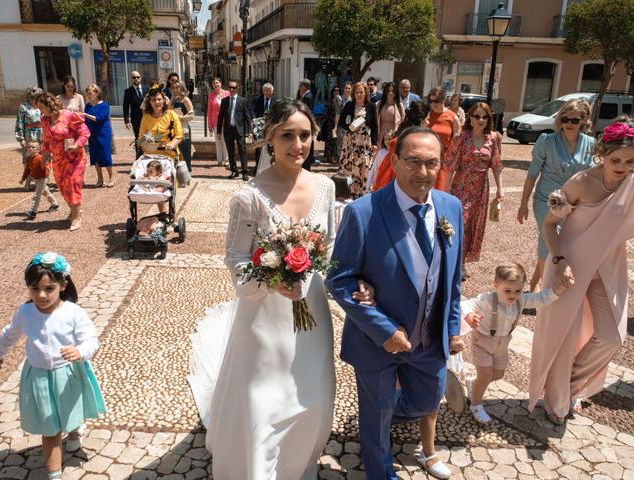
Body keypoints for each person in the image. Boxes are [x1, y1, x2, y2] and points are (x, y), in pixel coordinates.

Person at [188, 99, 373, 479]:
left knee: (313, 396)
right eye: (287, 135)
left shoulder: (324, 186)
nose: (298, 144)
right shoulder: (249, 197)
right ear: (270, 138)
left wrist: (347, 282)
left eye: (305, 135)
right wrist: (273, 279)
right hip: (264, 318)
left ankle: (299, 460)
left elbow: (333, 246)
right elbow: (236, 258)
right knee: (265, 400)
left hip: (312, 312)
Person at [327, 126, 464, 480]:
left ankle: (380, 415)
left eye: (431, 163)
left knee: (425, 402)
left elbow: (452, 277)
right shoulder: (363, 212)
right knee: (376, 420)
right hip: (377, 343)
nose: (423, 172)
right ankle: (380, 467)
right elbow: (339, 279)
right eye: (413, 162)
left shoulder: (452, 207)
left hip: (429, 342)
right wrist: (383, 330)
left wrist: (451, 329)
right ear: (395, 160)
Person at [528, 118, 634, 425]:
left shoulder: (631, 184)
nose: (622, 167)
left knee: (612, 337)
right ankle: (557, 400)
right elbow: (550, 223)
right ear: (603, 152)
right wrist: (559, 260)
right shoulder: (580, 182)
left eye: (630, 161)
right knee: (564, 336)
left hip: (607, 267)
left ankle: (569, 386)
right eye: (616, 160)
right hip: (568, 265)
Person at [0, 252, 106, 480]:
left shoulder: (73, 312)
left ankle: (74, 430)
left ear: (63, 285)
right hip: (39, 378)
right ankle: (54, 474)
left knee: (70, 409)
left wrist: (80, 352)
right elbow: (9, 335)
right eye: (34, 289)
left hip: (68, 374)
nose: (41, 295)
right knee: (51, 428)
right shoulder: (26, 312)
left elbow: (91, 340)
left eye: (49, 288)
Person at [462, 262, 567, 424]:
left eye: (518, 290)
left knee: (498, 374)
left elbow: (540, 299)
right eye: (507, 290)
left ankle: (474, 385)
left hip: (503, 344)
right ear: (496, 286)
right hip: (482, 342)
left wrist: (557, 290)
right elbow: (467, 303)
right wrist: (469, 315)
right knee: (486, 375)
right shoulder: (488, 299)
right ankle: (476, 405)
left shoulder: (521, 300)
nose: (513, 295)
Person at [517, 99, 595, 291]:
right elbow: (532, 174)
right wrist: (523, 203)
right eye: (565, 119)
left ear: (583, 121)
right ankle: (546, 294)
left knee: (560, 244)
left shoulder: (590, 143)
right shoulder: (547, 141)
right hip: (548, 200)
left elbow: (592, 177)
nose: (569, 124)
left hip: (577, 203)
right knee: (550, 241)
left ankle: (534, 285)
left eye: (575, 120)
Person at [443, 102, 503, 279]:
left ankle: (460, 264)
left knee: (472, 227)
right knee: (459, 224)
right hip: (461, 186)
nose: (481, 120)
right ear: (470, 117)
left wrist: (500, 189)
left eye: (485, 117)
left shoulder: (492, 138)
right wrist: (445, 192)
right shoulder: (461, 137)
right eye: (477, 116)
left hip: (481, 188)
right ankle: (454, 262)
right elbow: (449, 166)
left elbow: (497, 165)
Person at [37, 93, 90, 232]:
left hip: (74, 157)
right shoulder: (45, 120)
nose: (41, 111)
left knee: (72, 183)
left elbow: (84, 133)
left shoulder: (68, 115)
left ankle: (76, 218)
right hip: (58, 159)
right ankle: (75, 210)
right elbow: (46, 140)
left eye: (42, 107)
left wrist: (77, 145)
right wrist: (43, 157)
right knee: (62, 186)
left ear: (49, 104)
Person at [372, 100, 431, 192]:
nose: (428, 123)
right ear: (420, 121)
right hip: (397, 181)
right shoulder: (406, 140)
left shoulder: (406, 136)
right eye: (427, 119)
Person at [338, 81, 379, 199]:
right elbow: (341, 122)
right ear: (353, 93)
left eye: (361, 92)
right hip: (351, 140)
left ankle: (363, 193)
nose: (359, 94)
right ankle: (350, 193)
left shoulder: (371, 106)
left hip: (365, 141)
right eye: (357, 92)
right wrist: (351, 126)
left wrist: (375, 143)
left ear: (365, 93)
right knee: (351, 166)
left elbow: (375, 126)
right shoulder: (349, 105)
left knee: (364, 167)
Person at [216, 80, 252, 181]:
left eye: (233, 87)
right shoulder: (225, 100)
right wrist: (219, 131)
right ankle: (234, 171)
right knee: (230, 152)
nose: (231, 89)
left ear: (237, 89)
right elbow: (220, 117)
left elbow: (247, 117)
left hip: (239, 130)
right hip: (228, 130)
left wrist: (249, 131)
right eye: (230, 87)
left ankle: (244, 172)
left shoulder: (243, 101)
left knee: (242, 151)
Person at [138, 82, 183, 161]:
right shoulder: (146, 117)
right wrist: (142, 144)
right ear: (150, 102)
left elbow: (179, 136)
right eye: (153, 100)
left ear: (163, 100)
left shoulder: (171, 115)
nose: (157, 102)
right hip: (151, 157)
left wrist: (172, 144)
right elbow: (141, 137)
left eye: (159, 99)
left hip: (169, 155)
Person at [427, 86, 459, 192]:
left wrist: (452, 162)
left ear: (443, 100)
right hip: (427, 158)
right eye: (430, 101)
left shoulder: (452, 117)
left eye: (436, 101)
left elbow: (457, 143)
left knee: (441, 191)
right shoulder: (426, 115)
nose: (433, 104)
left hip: (445, 161)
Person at [83, 83, 114, 187]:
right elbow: (85, 120)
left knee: (105, 154)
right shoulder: (88, 106)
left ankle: (111, 178)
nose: (89, 95)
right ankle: (100, 179)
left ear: (97, 93)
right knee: (95, 155)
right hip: (92, 133)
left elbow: (100, 119)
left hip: (103, 132)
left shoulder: (104, 105)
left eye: (90, 93)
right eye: (87, 94)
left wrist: (86, 115)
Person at [20, 140, 59, 219]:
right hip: (36, 179)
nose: (30, 149)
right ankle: (55, 204)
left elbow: (48, 165)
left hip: (42, 179)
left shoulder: (40, 158)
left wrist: (47, 169)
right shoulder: (29, 159)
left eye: (33, 147)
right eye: (29, 147)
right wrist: (23, 179)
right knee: (45, 192)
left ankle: (33, 211)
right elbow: (27, 170)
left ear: (38, 149)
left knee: (37, 195)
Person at [15, 86, 44, 191]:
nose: (35, 99)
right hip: (30, 136)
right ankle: (28, 181)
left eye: (37, 96)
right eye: (34, 97)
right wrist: (21, 138)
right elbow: (19, 123)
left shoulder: (41, 105)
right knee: (29, 159)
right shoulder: (23, 107)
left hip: (42, 135)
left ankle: (41, 181)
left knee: (43, 157)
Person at [171, 80, 195, 177]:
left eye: (177, 87)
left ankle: (187, 175)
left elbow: (192, 115)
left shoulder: (186, 100)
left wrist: (180, 118)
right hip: (174, 129)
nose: (175, 90)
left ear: (181, 88)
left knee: (185, 152)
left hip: (183, 128)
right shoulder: (173, 99)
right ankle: (177, 175)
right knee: (176, 152)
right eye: (174, 88)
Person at [207, 77, 230, 167]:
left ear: (220, 83)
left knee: (226, 141)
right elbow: (209, 111)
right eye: (214, 83)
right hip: (216, 121)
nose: (216, 85)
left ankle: (226, 160)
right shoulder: (211, 96)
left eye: (217, 83)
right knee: (218, 141)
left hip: (226, 121)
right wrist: (210, 125)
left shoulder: (227, 93)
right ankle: (219, 160)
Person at [376, 81, 405, 150]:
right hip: (381, 133)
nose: (390, 93)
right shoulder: (379, 104)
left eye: (392, 91)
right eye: (388, 91)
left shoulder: (399, 105)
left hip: (394, 133)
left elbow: (403, 121)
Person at [123, 70, 145, 158]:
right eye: (134, 77)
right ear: (131, 79)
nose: (136, 79)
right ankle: (139, 156)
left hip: (148, 117)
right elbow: (125, 106)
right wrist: (127, 121)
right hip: (136, 119)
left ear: (140, 78)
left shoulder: (147, 88)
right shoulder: (128, 91)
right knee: (138, 137)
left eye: (137, 77)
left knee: (149, 136)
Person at [321, 85, 343, 164]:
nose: (336, 92)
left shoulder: (341, 100)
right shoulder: (330, 101)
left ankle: (334, 157)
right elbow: (326, 112)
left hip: (338, 123)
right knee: (329, 140)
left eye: (338, 90)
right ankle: (329, 157)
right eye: (335, 90)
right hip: (330, 123)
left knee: (336, 141)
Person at [298, 79, 316, 170]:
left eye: (300, 86)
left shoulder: (307, 97)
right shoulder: (305, 96)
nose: (299, 88)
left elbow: (307, 112)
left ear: (304, 87)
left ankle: (307, 165)